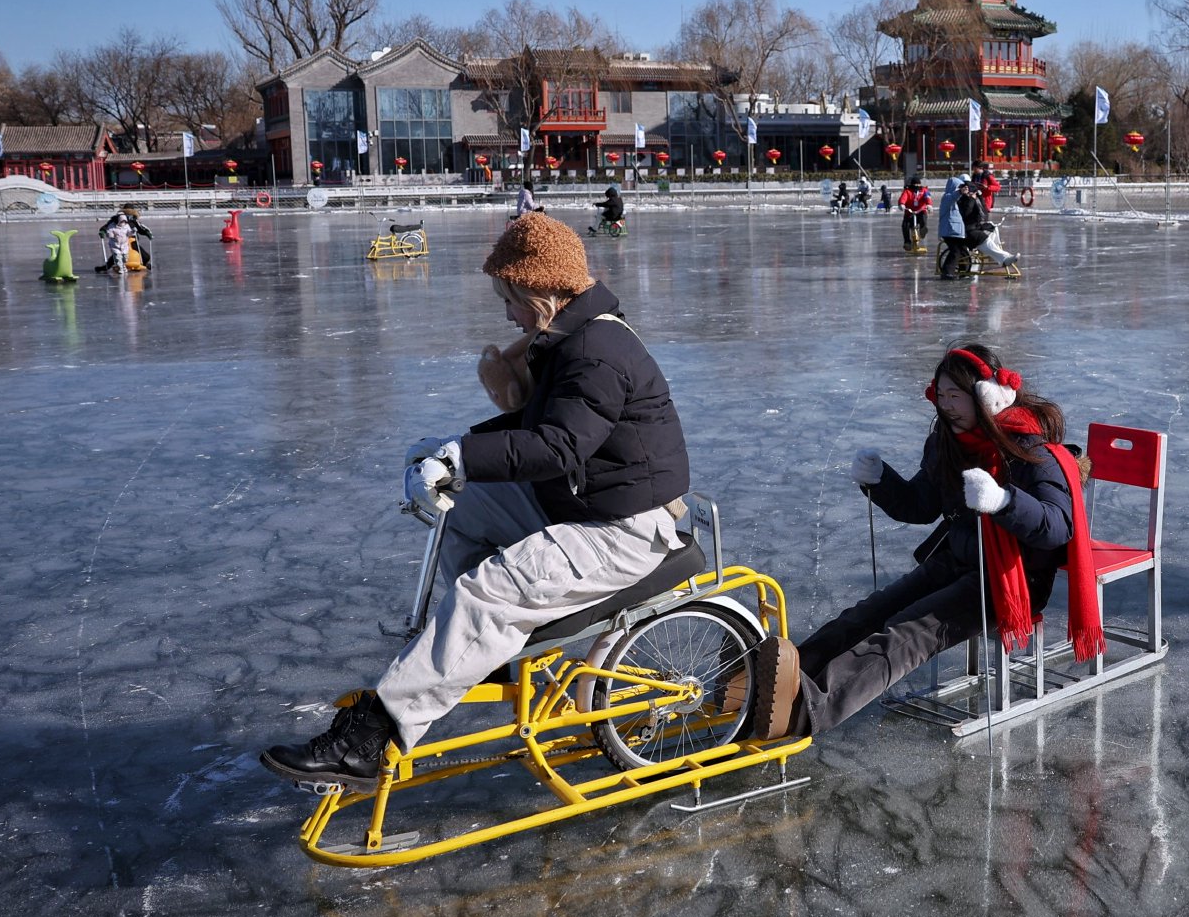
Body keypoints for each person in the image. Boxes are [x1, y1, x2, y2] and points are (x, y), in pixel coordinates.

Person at [259, 213, 693, 790]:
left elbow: (559, 445)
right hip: (583, 502)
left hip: (620, 528)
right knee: (462, 506)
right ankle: (489, 647)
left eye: (509, 297)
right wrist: (450, 451)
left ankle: (370, 740)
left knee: (487, 593)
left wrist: (462, 455)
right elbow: (538, 424)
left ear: (540, 287)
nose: (505, 311)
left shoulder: (597, 351)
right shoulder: (570, 338)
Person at [738, 344, 1102, 739]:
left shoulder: (1032, 451)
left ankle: (805, 710)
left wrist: (1005, 501)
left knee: (906, 634)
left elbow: (1057, 527)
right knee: (867, 614)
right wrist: (881, 481)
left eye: (956, 396)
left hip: (1010, 580)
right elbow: (921, 505)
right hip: (955, 559)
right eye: (941, 396)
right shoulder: (948, 444)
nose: (947, 406)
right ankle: (772, 685)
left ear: (987, 396)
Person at [93, 206, 142, 273]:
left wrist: (137, 232)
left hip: (128, 243)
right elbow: (107, 228)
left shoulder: (132, 221)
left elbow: (140, 228)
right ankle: (119, 267)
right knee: (117, 257)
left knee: (125, 258)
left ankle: (123, 266)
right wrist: (104, 232)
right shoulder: (113, 223)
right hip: (116, 243)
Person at [899, 177, 932, 250]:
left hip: (921, 211)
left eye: (918, 184)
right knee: (905, 225)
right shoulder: (907, 191)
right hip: (910, 212)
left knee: (923, 217)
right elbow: (903, 198)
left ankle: (923, 229)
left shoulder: (924, 190)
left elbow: (927, 197)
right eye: (915, 184)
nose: (916, 186)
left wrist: (929, 204)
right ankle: (907, 242)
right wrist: (902, 204)